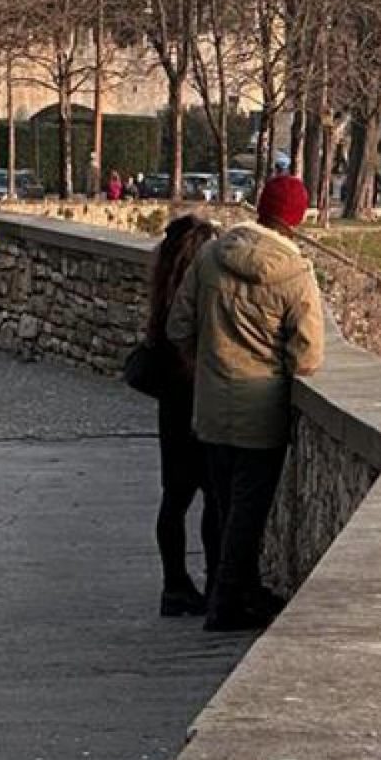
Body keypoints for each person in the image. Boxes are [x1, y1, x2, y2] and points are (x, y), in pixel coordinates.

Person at [167, 172, 324, 633]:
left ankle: (233, 589)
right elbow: (308, 354)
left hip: (212, 408)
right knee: (248, 514)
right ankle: (226, 604)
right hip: (263, 412)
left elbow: (179, 325)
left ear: (259, 207)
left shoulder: (211, 257)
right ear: (295, 221)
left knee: (220, 505)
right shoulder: (295, 273)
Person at [147, 215, 221, 617]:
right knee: (212, 494)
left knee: (175, 497)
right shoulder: (201, 287)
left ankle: (173, 583)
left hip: (171, 402)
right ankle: (213, 581)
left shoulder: (162, 287)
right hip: (200, 396)